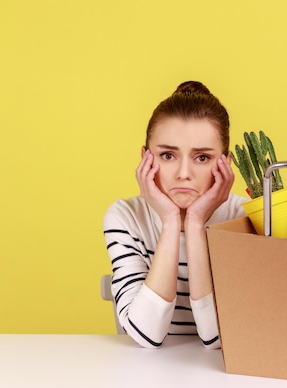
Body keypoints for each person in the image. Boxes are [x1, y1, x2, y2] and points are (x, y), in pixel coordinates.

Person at [103, 81, 248, 349]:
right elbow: (146, 334)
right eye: (168, 155)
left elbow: (217, 339)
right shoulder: (126, 217)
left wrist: (194, 224)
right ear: (146, 159)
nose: (183, 173)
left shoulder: (243, 218)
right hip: (146, 378)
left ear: (226, 165)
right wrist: (171, 222)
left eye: (202, 158)